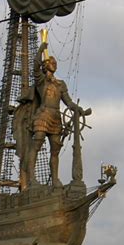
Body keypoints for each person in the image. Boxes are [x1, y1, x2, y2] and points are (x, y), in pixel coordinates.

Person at [27, 40, 84, 187]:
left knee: (55, 150)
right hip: (43, 115)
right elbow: (35, 65)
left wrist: (77, 109)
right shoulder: (41, 81)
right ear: (46, 65)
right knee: (37, 142)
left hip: (56, 117)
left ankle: (55, 180)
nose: (54, 63)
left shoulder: (60, 84)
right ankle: (32, 178)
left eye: (55, 62)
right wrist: (41, 49)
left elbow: (68, 102)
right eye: (51, 62)